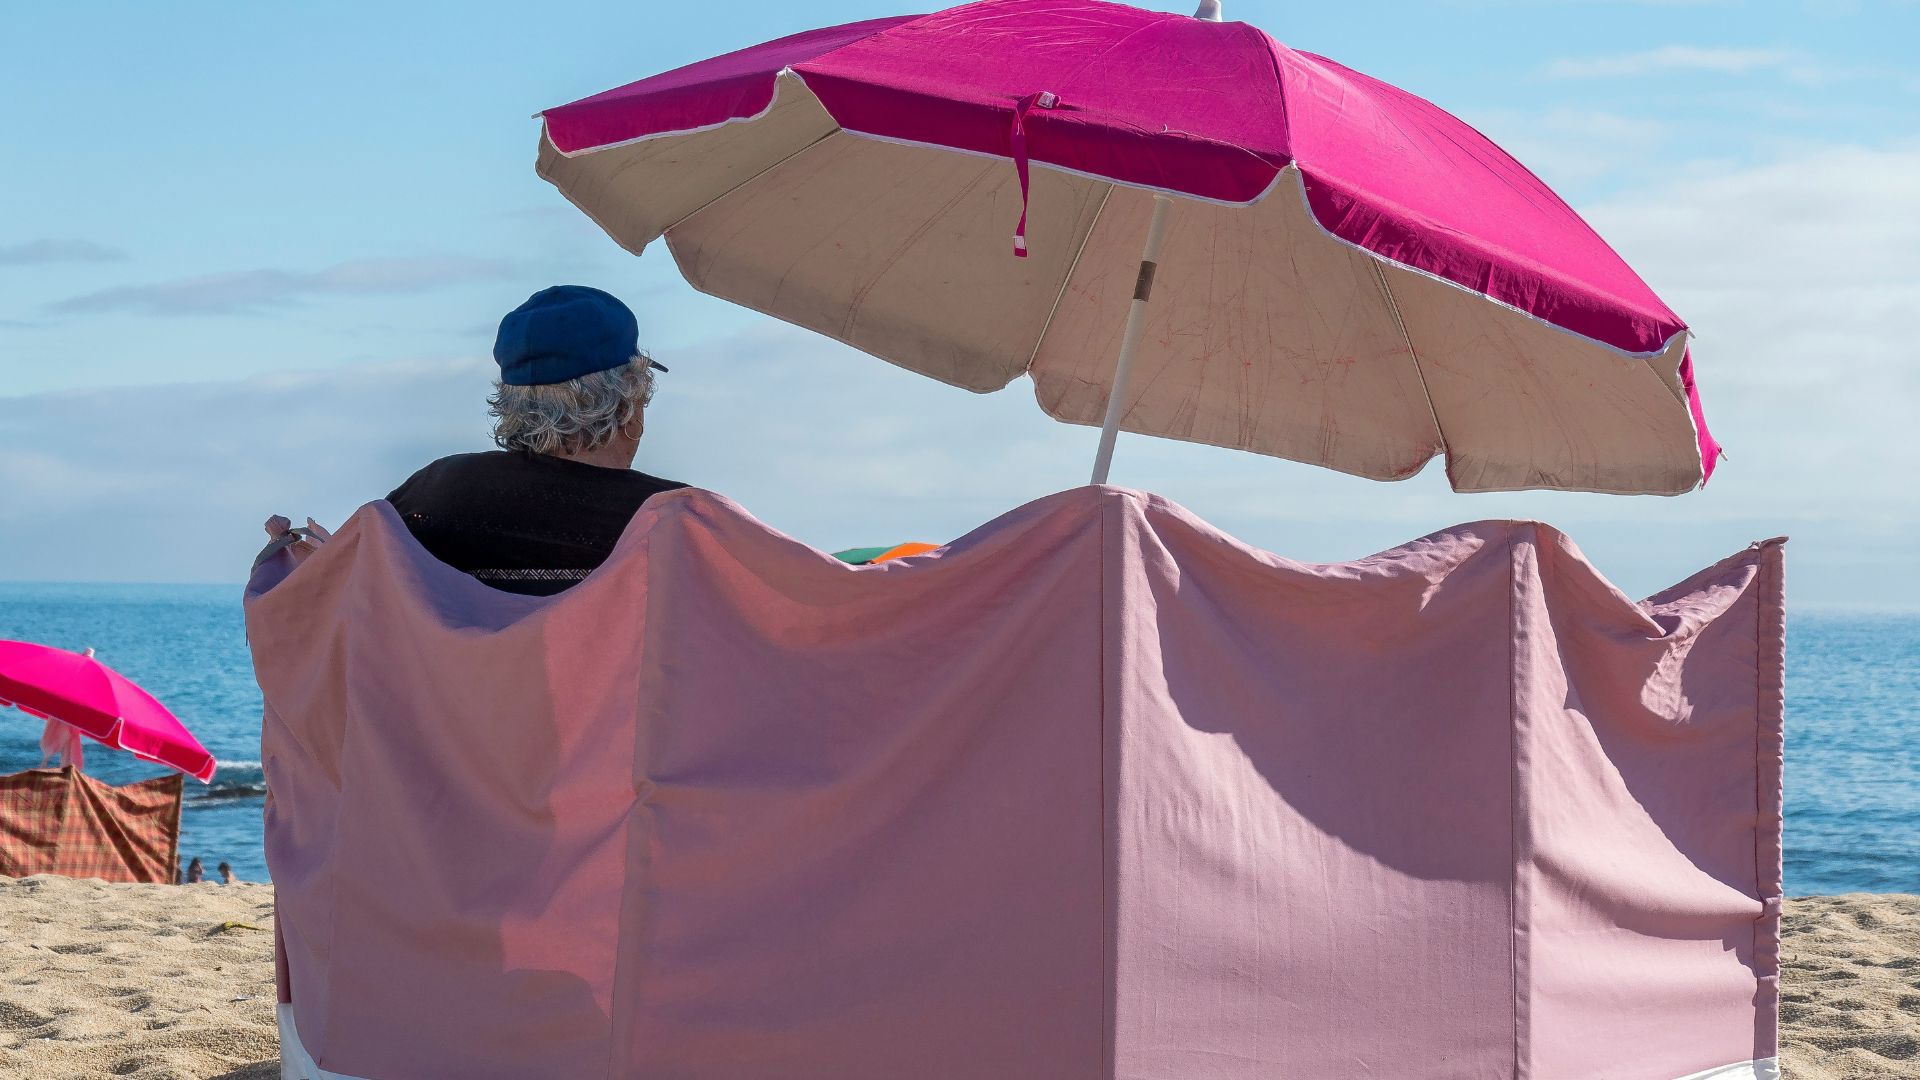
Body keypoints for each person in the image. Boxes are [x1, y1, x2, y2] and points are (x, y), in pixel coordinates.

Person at [262, 286, 686, 596]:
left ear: (511, 402)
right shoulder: (683, 522)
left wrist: (331, 572)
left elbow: (382, 612)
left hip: (471, 718)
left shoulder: (434, 497)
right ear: (630, 402)